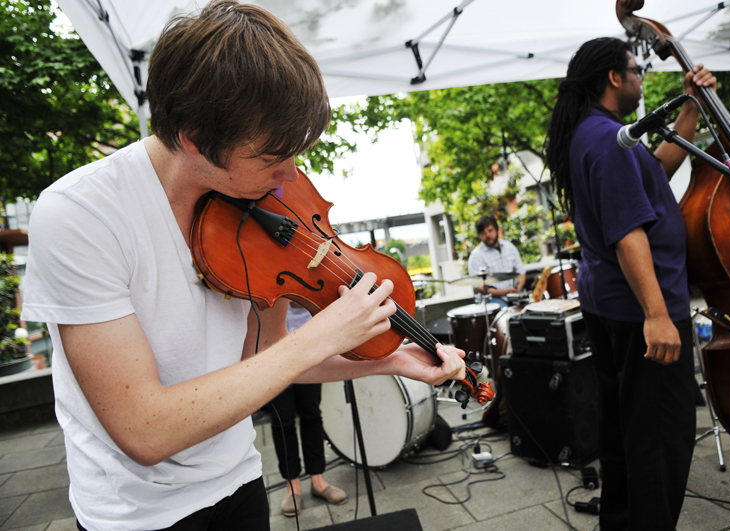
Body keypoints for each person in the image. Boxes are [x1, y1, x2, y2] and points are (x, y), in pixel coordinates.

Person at [19, 2, 465, 530]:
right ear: (192, 137)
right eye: (272, 157)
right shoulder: (80, 214)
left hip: (238, 480)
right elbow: (144, 430)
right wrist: (321, 334)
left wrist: (387, 361)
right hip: (138, 514)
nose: (289, 176)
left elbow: (266, 362)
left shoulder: (257, 201)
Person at [544, 37, 716, 531]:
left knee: (624, 434)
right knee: (658, 442)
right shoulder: (607, 140)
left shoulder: (595, 134)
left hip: (613, 305)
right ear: (614, 78)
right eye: (636, 71)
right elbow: (627, 233)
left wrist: (690, 109)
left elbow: (654, 174)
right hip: (642, 310)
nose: (642, 80)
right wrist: (658, 316)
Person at [266, 303, 346, 517]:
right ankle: (292, 487)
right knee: (282, 420)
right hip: (275, 349)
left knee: (311, 413)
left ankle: (318, 481)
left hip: (309, 346)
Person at [467, 215, 526, 307]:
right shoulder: (476, 255)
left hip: (514, 296)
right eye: (483, 233)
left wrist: (518, 288)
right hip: (493, 300)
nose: (488, 235)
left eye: (490, 230)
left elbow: (521, 272)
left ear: (497, 229)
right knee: (504, 313)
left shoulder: (509, 247)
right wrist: (504, 292)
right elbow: (478, 287)